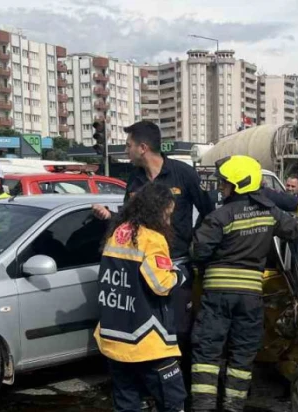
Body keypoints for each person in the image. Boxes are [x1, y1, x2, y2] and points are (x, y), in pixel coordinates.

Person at [93, 182, 215, 412]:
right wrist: (180, 275)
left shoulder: (118, 234)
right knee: (172, 411)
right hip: (150, 342)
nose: (170, 217)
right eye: (168, 212)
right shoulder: (152, 239)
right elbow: (161, 285)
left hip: (115, 341)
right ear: (158, 210)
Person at [189, 155, 298, 412]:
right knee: (242, 353)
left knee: (207, 352)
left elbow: (198, 251)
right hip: (251, 296)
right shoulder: (269, 213)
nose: (221, 187)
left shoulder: (219, 216)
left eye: (224, 183)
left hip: (217, 294)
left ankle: (202, 411)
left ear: (238, 185)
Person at [92, 121, 214, 360]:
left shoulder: (183, 172)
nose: (126, 151)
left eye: (129, 146)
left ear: (143, 147)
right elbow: (130, 218)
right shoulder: (135, 179)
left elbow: (209, 211)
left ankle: (179, 386)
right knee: (150, 328)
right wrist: (110, 216)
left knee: (179, 328)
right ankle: (155, 384)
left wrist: (195, 241)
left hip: (177, 263)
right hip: (144, 266)